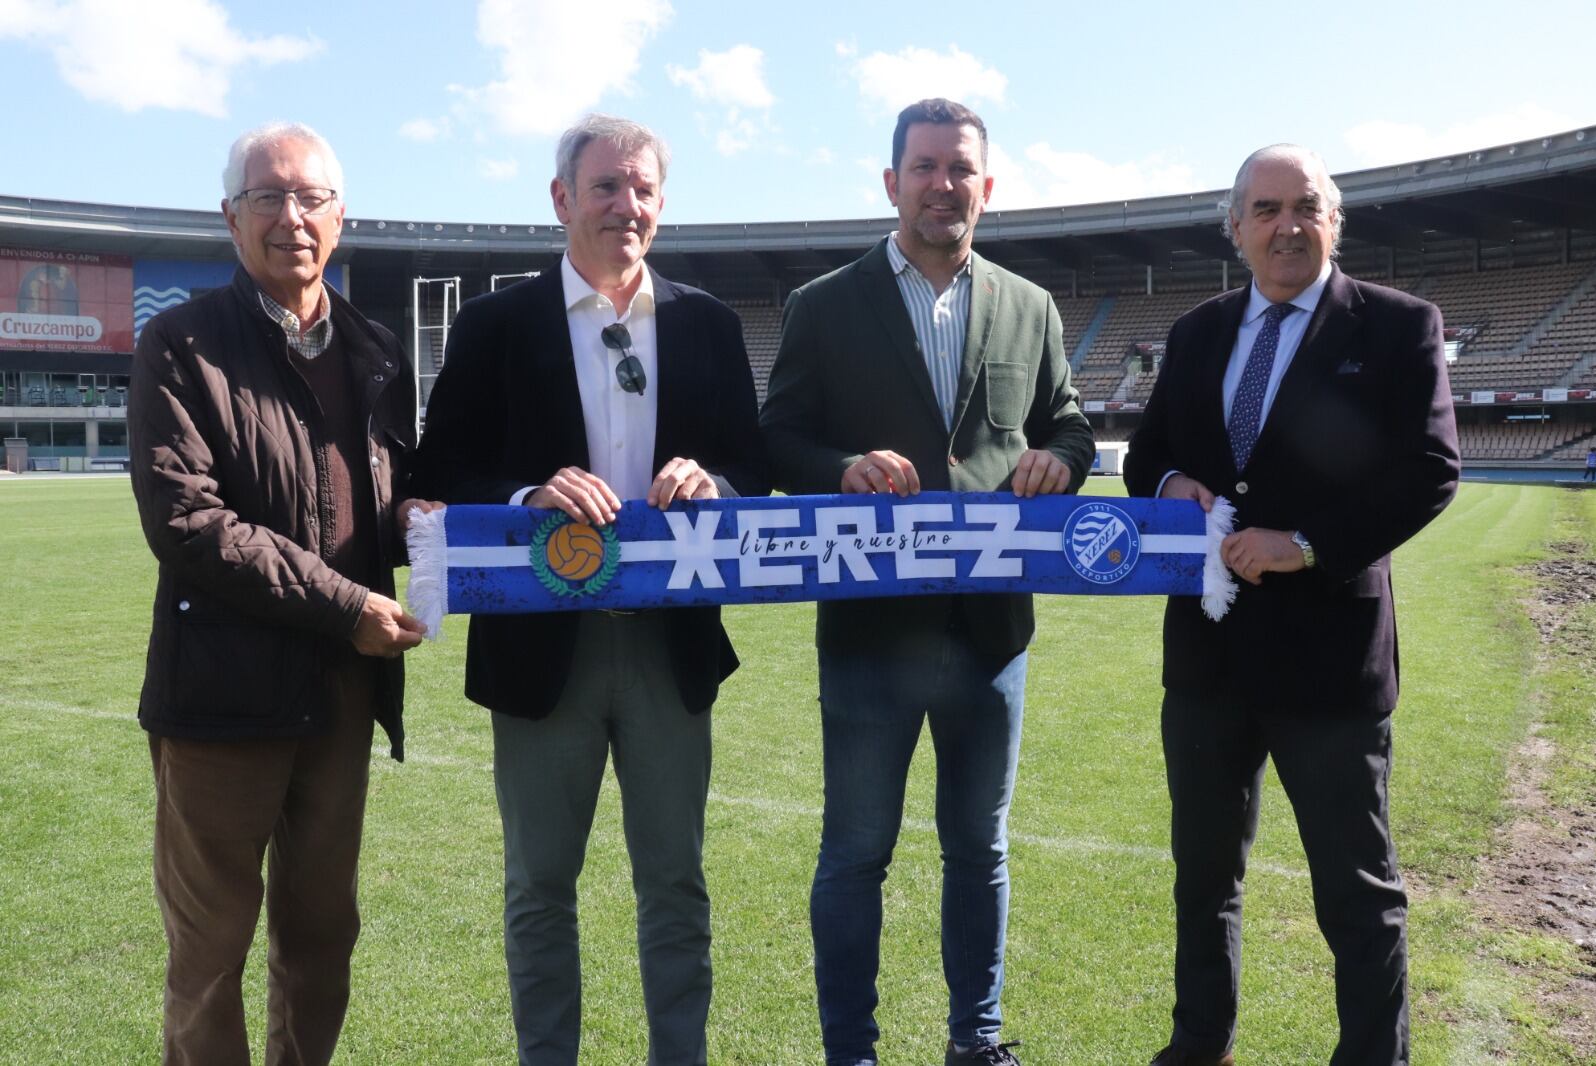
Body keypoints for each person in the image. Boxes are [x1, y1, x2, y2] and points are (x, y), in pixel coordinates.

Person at [409, 114, 766, 1066]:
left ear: (663, 202)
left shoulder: (708, 323)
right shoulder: (493, 325)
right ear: (562, 200)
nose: (627, 204)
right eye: (605, 186)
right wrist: (529, 497)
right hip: (539, 652)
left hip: (668, 646)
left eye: (643, 187)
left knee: (676, 885)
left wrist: (715, 485)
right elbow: (437, 475)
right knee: (538, 887)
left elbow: (751, 470)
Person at [760, 98, 1095, 1066]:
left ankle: (975, 1041)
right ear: (890, 181)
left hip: (991, 635)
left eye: (960, 169)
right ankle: (849, 1050)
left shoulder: (1029, 306)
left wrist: (1061, 461)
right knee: (855, 853)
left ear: (985, 187)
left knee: (977, 854)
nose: (942, 185)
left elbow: (1067, 422)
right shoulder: (822, 303)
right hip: (868, 631)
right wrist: (838, 468)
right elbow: (777, 436)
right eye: (924, 167)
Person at [1123, 144, 1460, 1066]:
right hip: (1207, 657)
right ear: (1236, 230)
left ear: (1334, 222)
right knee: (1204, 879)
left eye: (1306, 206)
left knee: (1354, 891)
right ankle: (1199, 1046)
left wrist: (1305, 544)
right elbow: (1146, 453)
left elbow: (1430, 472)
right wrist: (1173, 480)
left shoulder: (1397, 327)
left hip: (1329, 662)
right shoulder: (1196, 332)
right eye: (1266, 209)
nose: (1287, 225)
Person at [128, 121, 434, 1066]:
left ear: (341, 217)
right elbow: (190, 523)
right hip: (222, 699)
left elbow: (383, 501)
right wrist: (347, 606)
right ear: (231, 218)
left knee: (319, 940)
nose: (292, 219)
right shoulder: (180, 342)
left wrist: (425, 518)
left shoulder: (376, 348)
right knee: (211, 951)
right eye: (269, 198)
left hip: (339, 696)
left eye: (312, 199)